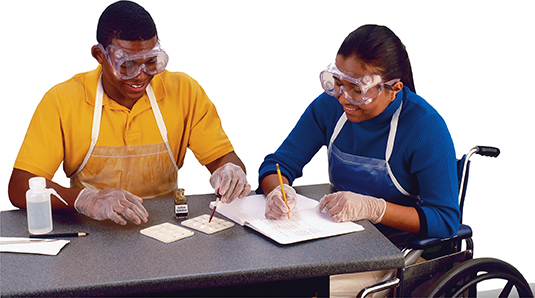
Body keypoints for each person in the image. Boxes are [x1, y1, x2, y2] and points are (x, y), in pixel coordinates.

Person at [258, 24, 460, 297]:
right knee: (267, 280)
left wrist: (374, 208)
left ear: (394, 88)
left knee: (311, 291)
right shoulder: (329, 107)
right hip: (341, 243)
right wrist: (276, 192)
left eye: (357, 89)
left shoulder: (424, 128)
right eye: (339, 83)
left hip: (397, 255)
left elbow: (445, 219)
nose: (345, 98)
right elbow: (278, 165)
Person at [8, 0, 250, 226]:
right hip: (93, 232)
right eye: (127, 64)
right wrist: (85, 199)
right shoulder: (63, 101)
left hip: (165, 228)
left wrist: (230, 173)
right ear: (99, 55)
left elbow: (223, 159)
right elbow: (20, 187)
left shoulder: (183, 91)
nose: (141, 75)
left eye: (151, 61)